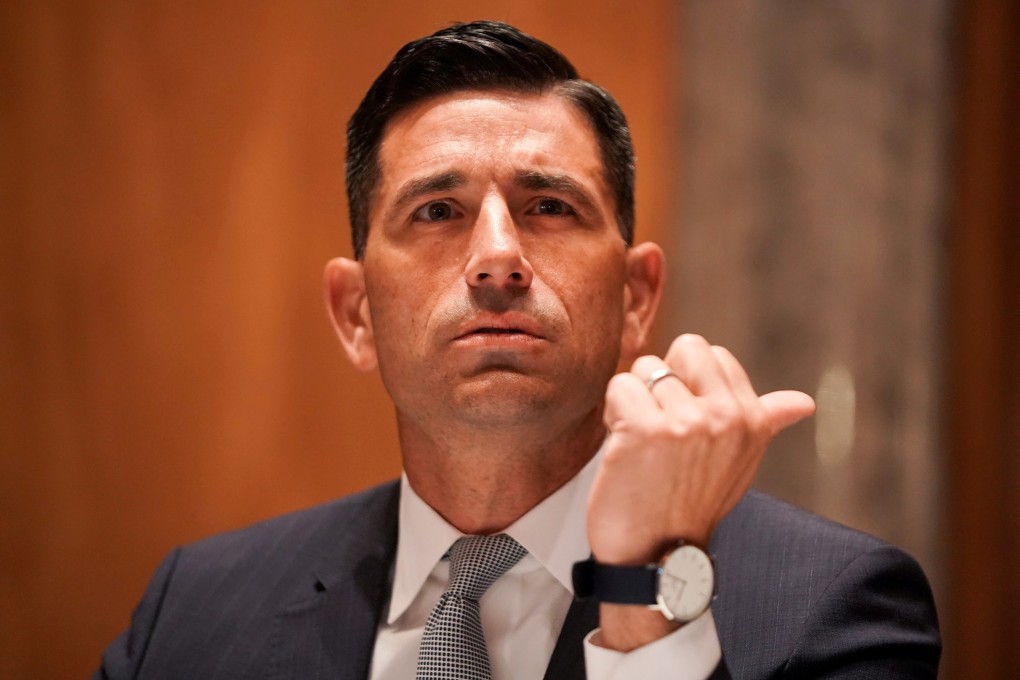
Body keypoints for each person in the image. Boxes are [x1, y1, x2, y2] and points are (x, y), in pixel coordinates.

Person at [93, 20, 940, 680]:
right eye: (437, 211)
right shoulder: (193, 614)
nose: (498, 256)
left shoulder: (835, 608)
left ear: (636, 297)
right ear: (355, 314)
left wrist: (648, 590)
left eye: (548, 207)